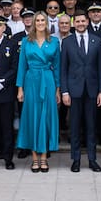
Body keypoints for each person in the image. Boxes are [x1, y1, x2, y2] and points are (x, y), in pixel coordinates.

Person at [16, 11, 61, 172]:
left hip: (48, 81)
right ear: (34, 23)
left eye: (43, 20)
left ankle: (44, 158)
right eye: (38, 20)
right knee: (32, 117)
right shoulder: (26, 41)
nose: (40, 23)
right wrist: (20, 88)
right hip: (31, 80)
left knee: (46, 117)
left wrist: (57, 89)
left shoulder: (54, 41)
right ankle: (35, 157)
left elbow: (57, 67)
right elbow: (22, 66)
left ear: (47, 23)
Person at [59, 11, 101, 172]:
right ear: (73, 23)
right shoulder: (67, 42)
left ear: (88, 22)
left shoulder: (96, 41)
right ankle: (75, 159)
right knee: (75, 127)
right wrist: (64, 91)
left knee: (91, 126)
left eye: (83, 21)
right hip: (74, 90)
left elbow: (100, 69)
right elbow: (63, 69)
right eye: (77, 21)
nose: (81, 24)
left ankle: (92, 159)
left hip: (92, 90)